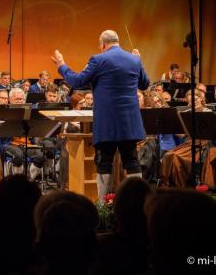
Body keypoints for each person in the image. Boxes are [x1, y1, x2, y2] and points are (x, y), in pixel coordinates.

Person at [52, 29, 150, 200]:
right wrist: (139, 62)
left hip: (107, 123)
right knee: (132, 160)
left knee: (104, 162)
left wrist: (61, 65)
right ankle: (138, 202)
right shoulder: (134, 59)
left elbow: (77, 81)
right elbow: (145, 83)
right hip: (130, 122)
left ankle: (102, 208)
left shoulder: (98, 59)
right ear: (117, 42)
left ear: (103, 45)